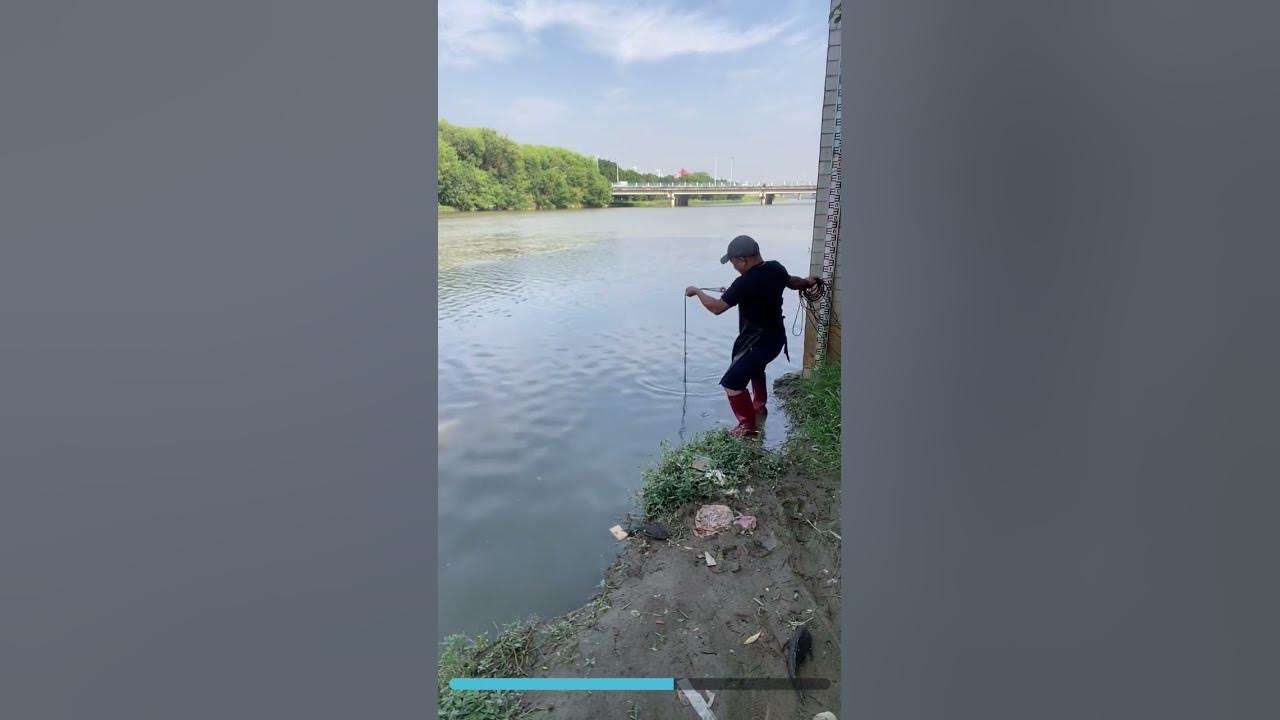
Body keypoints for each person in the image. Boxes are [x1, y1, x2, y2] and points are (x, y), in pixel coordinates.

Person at [686, 235, 822, 437]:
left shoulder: (744, 283)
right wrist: (808, 282)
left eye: (733, 263)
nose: (734, 267)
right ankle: (759, 407)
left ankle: (747, 427)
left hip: (756, 341)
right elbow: (793, 282)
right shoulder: (775, 268)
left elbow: (716, 308)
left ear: (743, 260)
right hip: (775, 338)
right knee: (757, 370)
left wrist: (697, 291)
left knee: (731, 383)